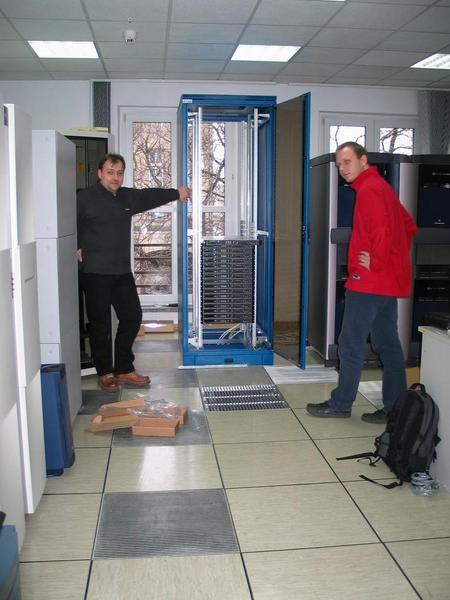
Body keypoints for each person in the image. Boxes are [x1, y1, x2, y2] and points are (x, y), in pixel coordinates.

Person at [306, 142, 417, 423]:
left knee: (350, 343)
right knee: (388, 345)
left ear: (363, 160)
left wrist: (376, 261)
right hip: (386, 283)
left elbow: (382, 229)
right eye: (339, 164)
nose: (342, 168)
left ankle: (341, 404)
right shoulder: (382, 187)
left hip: (368, 281)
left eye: (347, 162)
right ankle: (394, 410)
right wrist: (391, 260)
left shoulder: (369, 190)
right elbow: (408, 226)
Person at [77, 153, 189, 392]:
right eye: (110, 173)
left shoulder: (126, 196)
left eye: (119, 173)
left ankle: (124, 369)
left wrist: (176, 193)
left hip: (121, 272)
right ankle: (105, 372)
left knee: (132, 317)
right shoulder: (84, 198)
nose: (115, 178)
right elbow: (67, 223)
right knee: (100, 325)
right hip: (95, 273)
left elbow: (150, 196)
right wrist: (76, 244)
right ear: (100, 173)